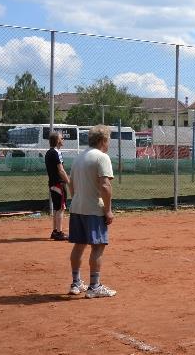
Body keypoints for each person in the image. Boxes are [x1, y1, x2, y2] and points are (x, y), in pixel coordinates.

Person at [67, 125, 116, 298]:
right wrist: (108, 210)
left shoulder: (78, 157)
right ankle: (94, 287)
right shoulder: (102, 157)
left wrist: (77, 199)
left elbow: (71, 184)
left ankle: (76, 282)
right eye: (108, 140)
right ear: (103, 140)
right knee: (98, 247)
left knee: (79, 245)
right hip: (94, 209)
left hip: (77, 207)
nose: (108, 143)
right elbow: (105, 185)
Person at [45, 131, 71, 241]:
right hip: (59, 184)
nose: (63, 139)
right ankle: (59, 233)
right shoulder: (56, 152)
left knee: (56, 208)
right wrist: (69, 181)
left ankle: (55, 231)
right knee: (61, 208)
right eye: (62, 138)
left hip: (52, 183)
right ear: (57, 140)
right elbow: (61, 170)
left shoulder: (49, 152)